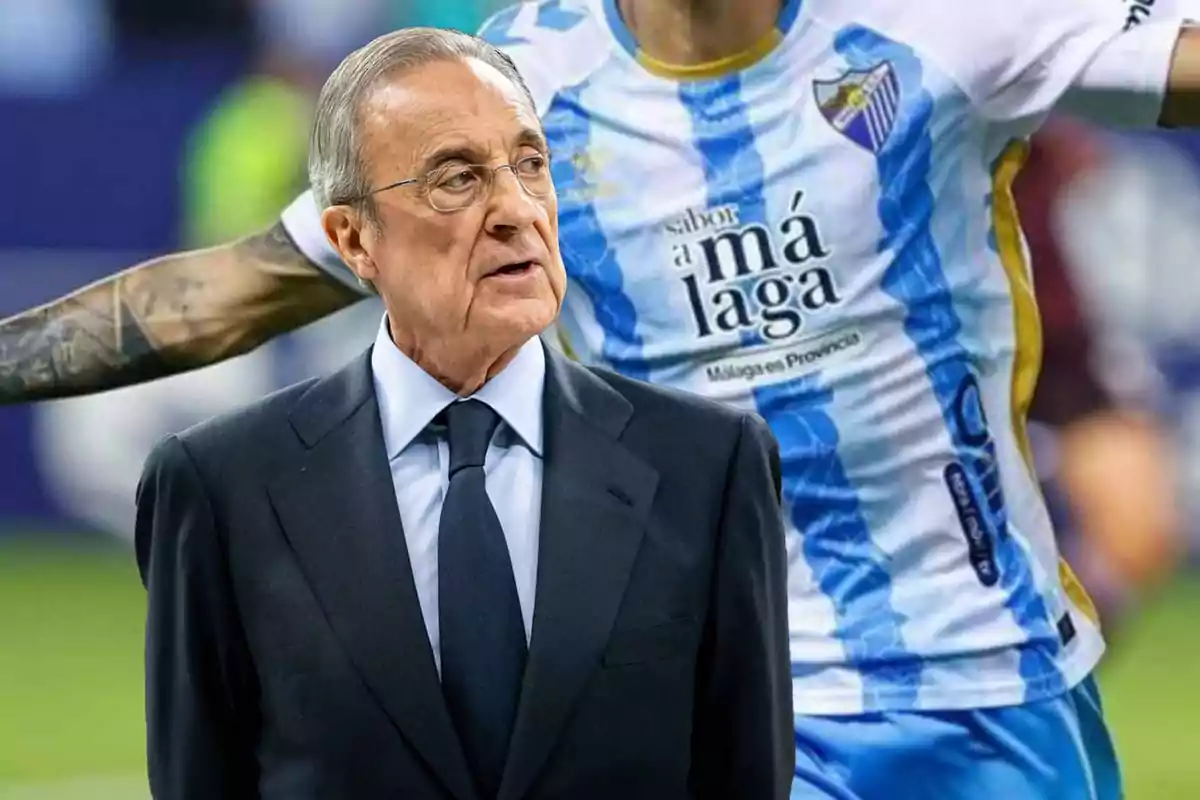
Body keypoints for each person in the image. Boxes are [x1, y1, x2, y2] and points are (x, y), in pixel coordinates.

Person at [9, 0, 1200, 797]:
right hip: (694, 698)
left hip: (982, 692)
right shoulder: (518, 78)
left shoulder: (948, 21)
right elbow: (228, 292)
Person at [135, 27, 793, 800]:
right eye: (456, 178)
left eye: (530, 165)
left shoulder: (709, 467)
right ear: (352, 238)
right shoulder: (221, 489)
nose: (517, 210)